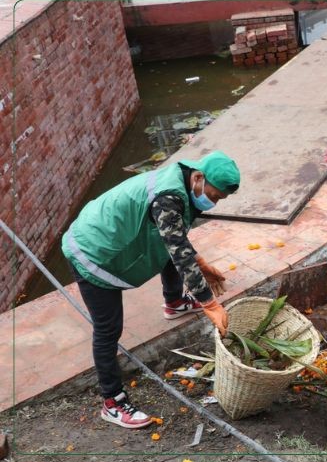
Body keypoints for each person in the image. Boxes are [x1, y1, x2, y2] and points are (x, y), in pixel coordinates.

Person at [61, 151, 238, 429]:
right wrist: (209, 302)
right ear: (199, 177)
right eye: (214, 196)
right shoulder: (169, 197)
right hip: (92, 248)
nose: (213, 202)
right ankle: (112, 402)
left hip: (106, 230)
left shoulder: (183, 180)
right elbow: (177, 250)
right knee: (108, 329)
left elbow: (172, 235)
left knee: (165, 248)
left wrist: (199, 262)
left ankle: (175, 301)